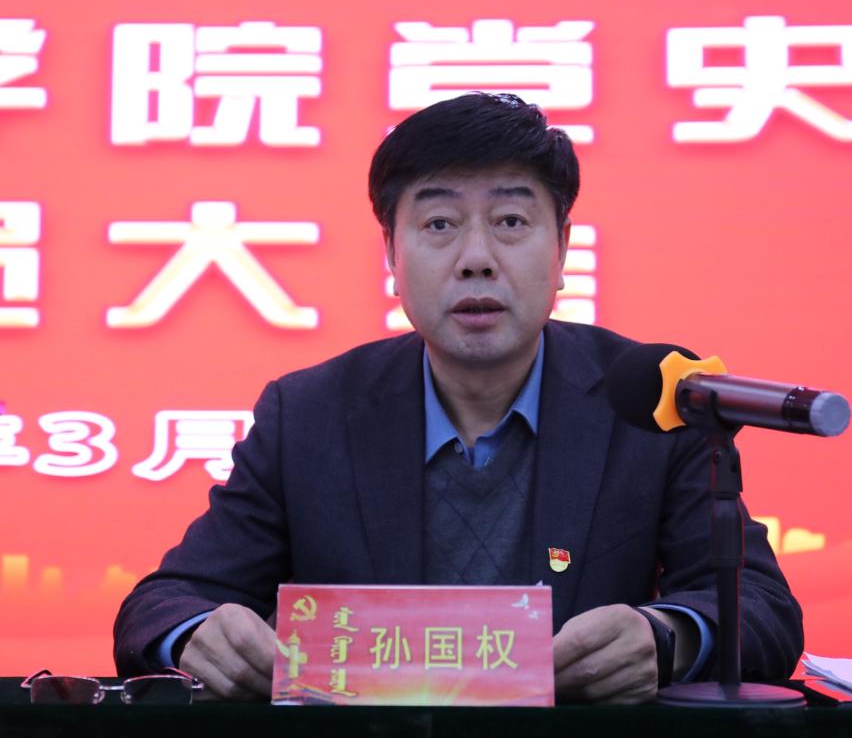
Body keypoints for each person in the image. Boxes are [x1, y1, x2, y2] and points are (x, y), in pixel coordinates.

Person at [113, 92, 803, 703]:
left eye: (511, 221)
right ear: (392, 254)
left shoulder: (651, 398)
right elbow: (161, 605)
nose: (476, 258)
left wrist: (667, 636)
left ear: (562, 249)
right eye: (439, 224)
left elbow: (764, 607)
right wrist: (198, 636)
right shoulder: (310, 414)